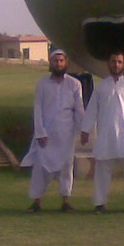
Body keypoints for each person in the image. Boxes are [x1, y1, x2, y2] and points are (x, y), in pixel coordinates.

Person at [80, 51, 124, 214]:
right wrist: (85, 130)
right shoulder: (101, 87)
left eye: (119, 62)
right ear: (108, 64)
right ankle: (99, 203)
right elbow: (92, 110)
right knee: (102, 172)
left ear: (123, 64)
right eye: (113, 62)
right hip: (106, 136)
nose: (116, 65)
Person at [21, 49, 84, 213]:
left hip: (66, 134)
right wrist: (40, 133)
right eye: (56, 61)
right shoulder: (42, 84)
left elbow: (79, 110)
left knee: (66, 168)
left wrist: (83, 131)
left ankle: (65, 201)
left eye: (61, 61)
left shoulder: (74, 84)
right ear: (51, 63)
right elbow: (38, 109)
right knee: (40, 167)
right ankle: (36, 202)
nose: (59, 64)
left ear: (66, 62)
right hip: (46, 135)